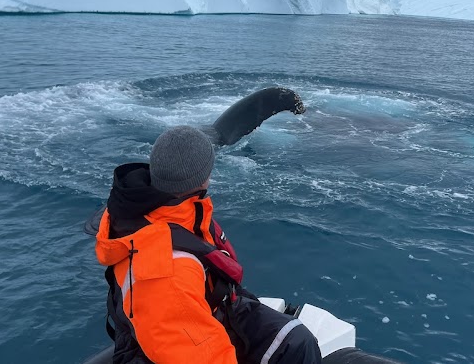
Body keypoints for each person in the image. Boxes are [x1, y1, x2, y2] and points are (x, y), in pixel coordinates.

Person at [95, 126, 322, 364]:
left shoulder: (170, 211)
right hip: (167, 342)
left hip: (206, 309)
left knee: (297, 342)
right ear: (203, 178)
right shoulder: (165, 271)